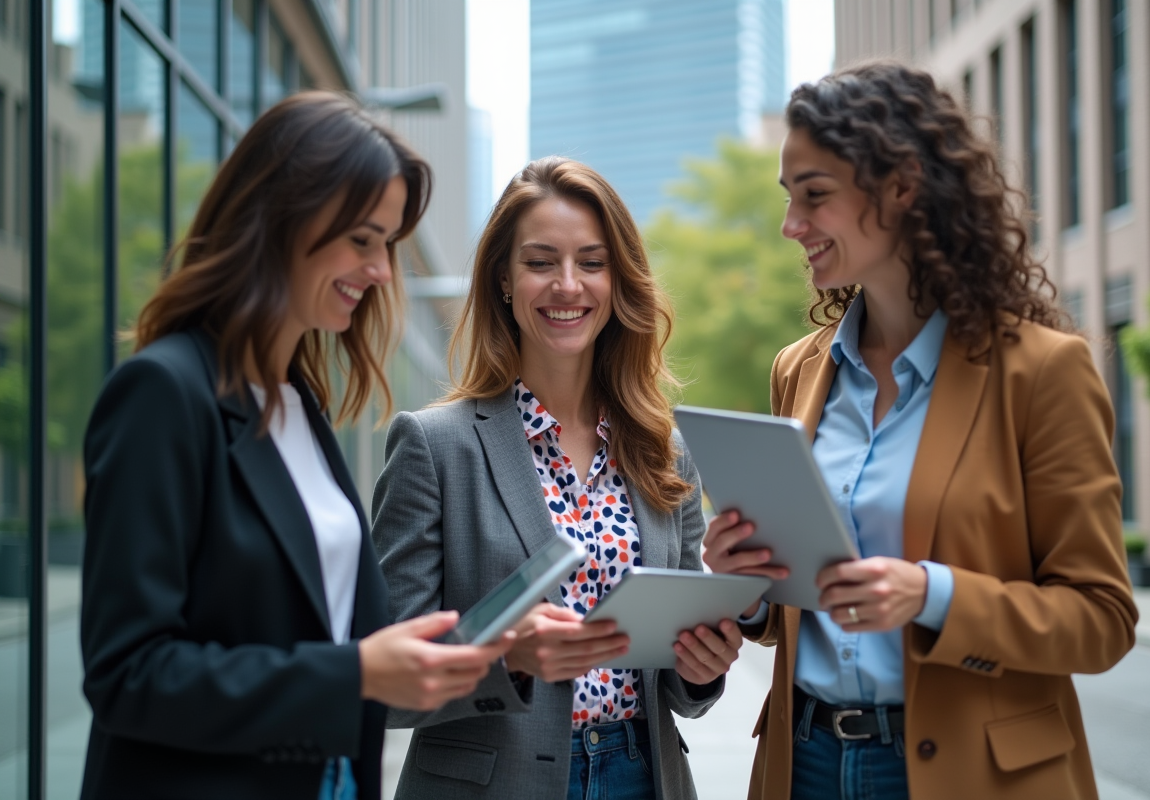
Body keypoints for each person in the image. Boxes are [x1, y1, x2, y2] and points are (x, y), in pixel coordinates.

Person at [702, 62, 1138, 800]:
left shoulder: (1041, 373)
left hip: (972, 774)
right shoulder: (798, 371)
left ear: (901, 187)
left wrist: (931, 595)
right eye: (789, 199)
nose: (790, 226)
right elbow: (789, 613)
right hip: (802, 763)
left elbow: (1101, 620)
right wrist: (747, 589)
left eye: (815, 197)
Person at [79, 92, 512, 800]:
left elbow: (326, 624)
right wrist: (358, 674)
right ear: (280, 220)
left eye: (388, 246)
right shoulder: (163, 394)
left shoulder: (295, 403)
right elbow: (128, 673)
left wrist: (486, 652)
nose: (379, 271)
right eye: (363, 240)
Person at [372, 156, 745, 800]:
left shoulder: (666, 452)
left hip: (642, 773)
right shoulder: (434, 447)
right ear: (505, 282)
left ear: (617, 282)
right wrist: (505, 662)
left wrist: (703, 669)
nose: (567, 285)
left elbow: (681, 681)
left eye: (592, 263)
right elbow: (385, 684)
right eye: (541, 262)